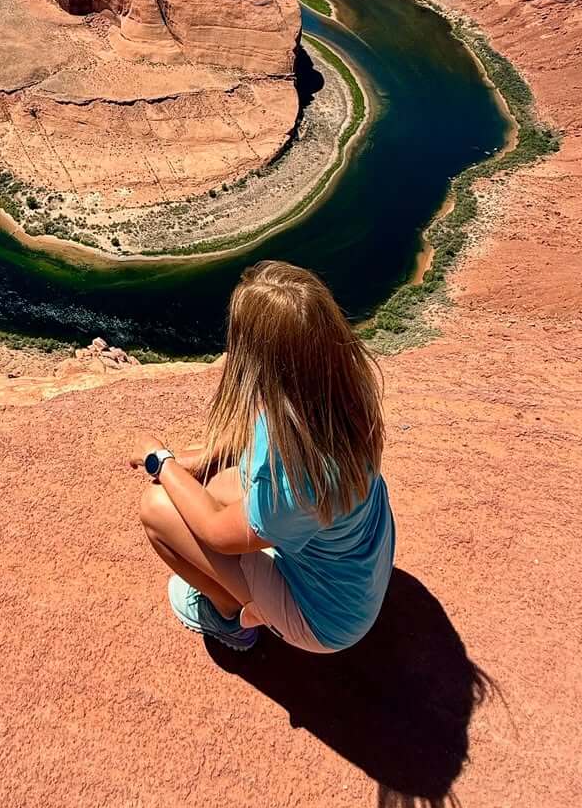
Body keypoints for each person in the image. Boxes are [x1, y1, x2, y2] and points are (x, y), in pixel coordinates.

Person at [130, 260, 394, 652]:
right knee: (215, 482)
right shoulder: (342, 394)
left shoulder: (298, 474)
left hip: (324, 621)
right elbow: (259, 430)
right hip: (358, 573)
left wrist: (159, 460)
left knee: (157, 507)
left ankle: (227, 616)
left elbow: (217, 532)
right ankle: (255, 583)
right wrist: (204, 459)